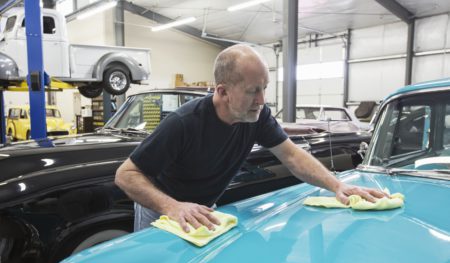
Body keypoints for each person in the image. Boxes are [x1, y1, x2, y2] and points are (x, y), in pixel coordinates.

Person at [115, 44, 386, 232]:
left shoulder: (256, 117)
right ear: (222, 91)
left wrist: (337, 186)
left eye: (264, 88)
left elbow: (291, 155)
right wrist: (172, 207)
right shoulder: (183, 124)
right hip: (163, 209)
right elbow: (126, 174)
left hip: (203, 208)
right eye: (252, 91)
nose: (261, 100)